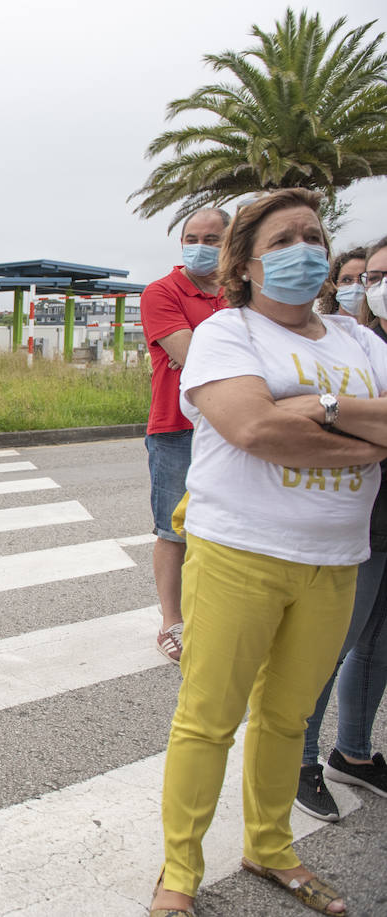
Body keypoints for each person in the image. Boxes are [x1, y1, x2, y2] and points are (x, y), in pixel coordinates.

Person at [149, 189, 386, 917]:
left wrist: (315, 404)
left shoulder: (363, 343)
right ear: (246, 264)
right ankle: (179, 873)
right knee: (208, 718)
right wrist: (365, 430)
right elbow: (251, 428)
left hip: (337, 557)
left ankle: (270, 845)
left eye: (313, 235)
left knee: (287, 717)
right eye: (282, 239)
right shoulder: (228, 334)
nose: (305, 250)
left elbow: (275, 417)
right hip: (239, 551)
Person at [294, 234, 387, 823]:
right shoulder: (358, 351)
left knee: (378, 645)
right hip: (361, 521)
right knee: (328, 647)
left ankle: (351, 752)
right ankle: (296, 762)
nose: (372, 286)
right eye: (369, 276)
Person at [139, 207, 231, 665]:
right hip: (177, 426)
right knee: (173, 528)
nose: (200, 246)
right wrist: (214, 354)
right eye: (192, 237)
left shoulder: (241, 294)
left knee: (227, 526)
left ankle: (213, 613)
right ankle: (171, 621)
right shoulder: (162, 292)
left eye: (212, 238)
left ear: (231, 242)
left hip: (234, 426)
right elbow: (192, 357)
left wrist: (202, 355)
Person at [315, 247, 367, 317]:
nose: (355, 286)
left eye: (363, 279)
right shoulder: (324, 326)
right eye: (346, 280)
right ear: (334, 285)